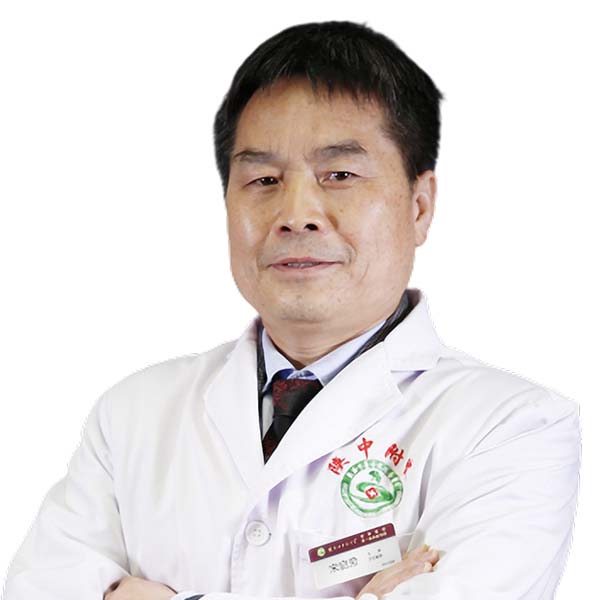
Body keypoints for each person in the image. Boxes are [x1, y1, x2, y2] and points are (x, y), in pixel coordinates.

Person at [2, 19, 580, 600]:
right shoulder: (132, 415)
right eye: (263, 179)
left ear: (420, 206)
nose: (296, 214)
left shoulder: (511, 427)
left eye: (340, 174)